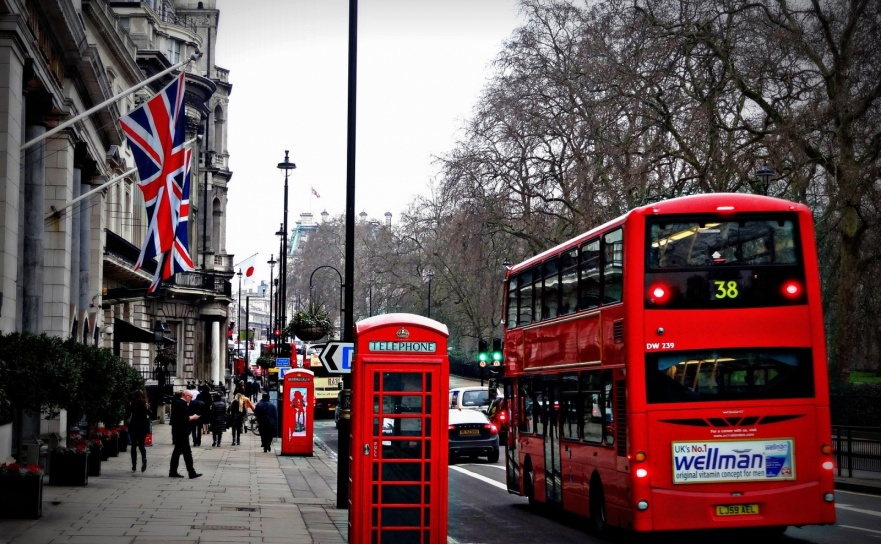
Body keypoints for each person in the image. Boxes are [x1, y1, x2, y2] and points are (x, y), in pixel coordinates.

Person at [169, 390, 202, 479]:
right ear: (186, 396)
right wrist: (193, 417)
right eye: (190, 397)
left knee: (178, 452)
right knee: (186, 453)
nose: (191, 399)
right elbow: (184, 418)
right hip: (181, 432)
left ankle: (174, 471)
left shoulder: (179, 403)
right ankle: (191, 472)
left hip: (180, 431)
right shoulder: (181, 404)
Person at [125, 390, 151, 473]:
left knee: (133, 446)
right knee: (141, 445)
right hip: (143, 426)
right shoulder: (145, 404)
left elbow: (127, 415)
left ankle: (134, 466)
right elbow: (151, 415)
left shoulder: (132, 404)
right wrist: (147, 409)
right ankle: (144, 458)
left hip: (134, 426)